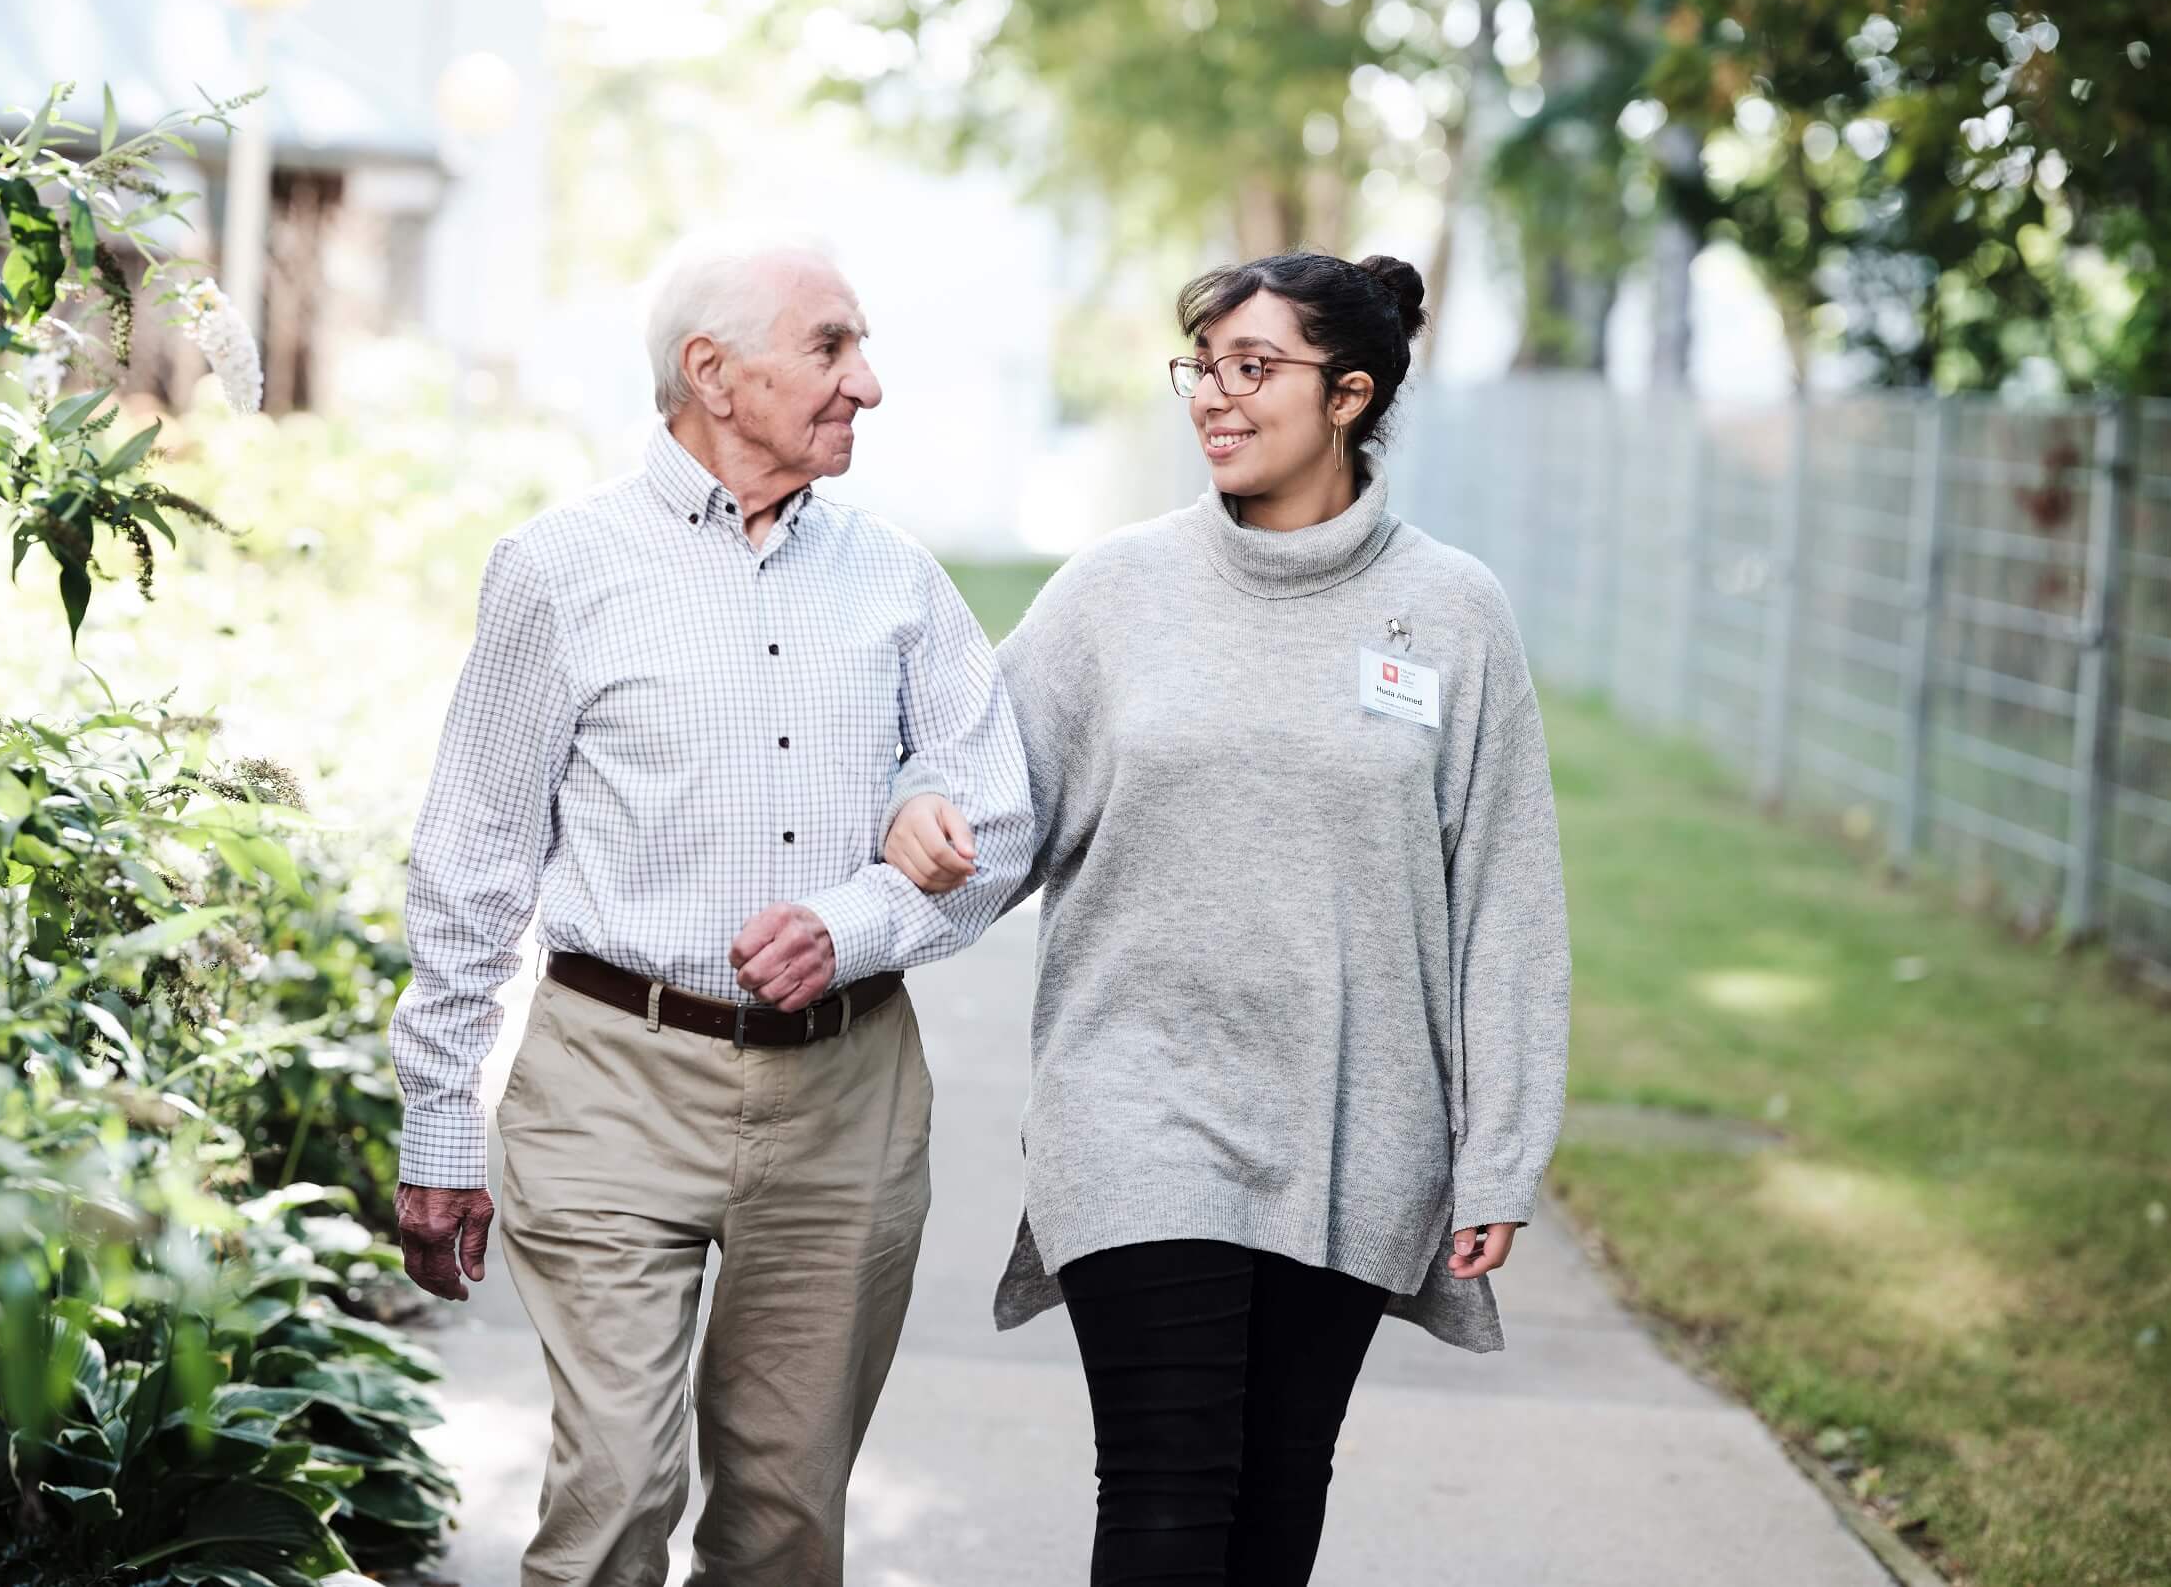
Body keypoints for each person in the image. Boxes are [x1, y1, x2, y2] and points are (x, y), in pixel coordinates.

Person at [882, 250, 1572, 1587]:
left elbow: (1506, 899)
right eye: (1204, 365)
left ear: (1351, 396)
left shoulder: (1451, 614)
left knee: (1272, 1507)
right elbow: (983, 787)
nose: (1215, 395)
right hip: (1137, 1107)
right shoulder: (1115, 593)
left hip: (1352, 1127)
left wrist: (1500, 1150)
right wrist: (915, 812)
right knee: (1165, 1498)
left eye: (1254, 367)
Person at [389, 226, 1033, 1587]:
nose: (869, 383)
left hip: (848, 1096)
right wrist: (439, 1121)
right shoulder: (560, 572)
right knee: (615, 1490)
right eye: (832, 346)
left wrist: (858, 920)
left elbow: (999, 805)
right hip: (612, 1080)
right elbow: (474, 855)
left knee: (787, 1522)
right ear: (713, 374)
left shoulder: (898, 582)